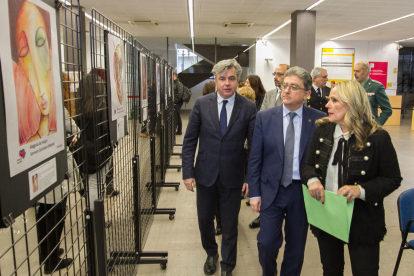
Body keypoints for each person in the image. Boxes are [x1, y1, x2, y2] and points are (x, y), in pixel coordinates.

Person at [302, 80, 402, 276]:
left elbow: (392, 178)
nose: (327, 105)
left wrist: (360, 190)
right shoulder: (323, 130)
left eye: (334, 100)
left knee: (365, 271)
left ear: (352, 104)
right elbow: (307, 166)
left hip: (363, 220)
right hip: (328, 215)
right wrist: (312, 179)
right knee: (331, 270)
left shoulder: (377, 137)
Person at [247, 67, 325, 276]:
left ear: (307, 94)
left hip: (301, 192)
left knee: (296, 246)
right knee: (266, 243)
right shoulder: (265, 117)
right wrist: (254, 193)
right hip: (272, 190)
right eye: (284, 86)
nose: (286, 91)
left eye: (293, 87)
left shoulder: (319, 120)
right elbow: (255, 158)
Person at [182, 59, 257, 276]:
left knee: (230, 224)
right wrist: (188, 172)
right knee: (205, 220)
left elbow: (254, 148)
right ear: (215, 80)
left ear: (238, 81)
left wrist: (249, 178)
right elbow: (189, 141)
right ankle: (211, 253)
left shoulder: (249, 108)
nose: (227, 83)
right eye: (222, 79)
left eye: (231, 79)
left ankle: (228, 267)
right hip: (204, 174)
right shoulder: (202, 104)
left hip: (233, 177)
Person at [354, 61, 392, 125]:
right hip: (353, 125)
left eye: (357, 71)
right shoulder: (352, 86)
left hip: (368, 126)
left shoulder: (376, 87)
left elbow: (387, 110)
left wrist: (377, 125)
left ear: (366, 71)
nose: (355, 73)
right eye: (354, 71)